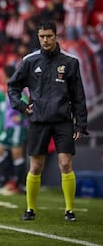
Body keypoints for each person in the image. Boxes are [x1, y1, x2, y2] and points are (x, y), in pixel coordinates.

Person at [8, 21, 88, 222]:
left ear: (56, 36)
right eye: (42, 36)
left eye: (49, 36)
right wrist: (22, 106)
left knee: (65, 163)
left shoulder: (70, 62)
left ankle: (69, 210)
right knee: (35, 166)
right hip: (38, 120)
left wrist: (81, 124)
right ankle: (30, 209)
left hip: (63, 121)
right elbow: (13, 87)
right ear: (38, 37)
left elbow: (79, 96)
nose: (45, 40)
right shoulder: (29, 61)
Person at [0, 65, 28, 195]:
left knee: (17, 156)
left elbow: (26, 102)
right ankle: (8, 180)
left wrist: (20, 116)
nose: (1, 76)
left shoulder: (17, 89)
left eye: (3, 74)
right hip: (8, 129)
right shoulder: (7, 90)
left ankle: (19, 185)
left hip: (17, 128)